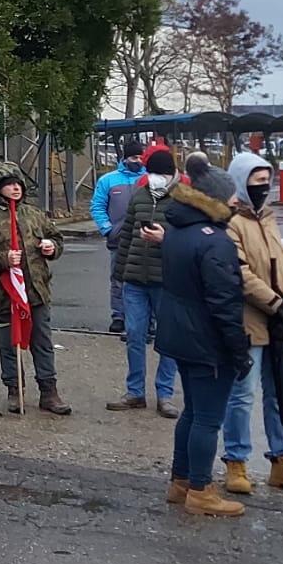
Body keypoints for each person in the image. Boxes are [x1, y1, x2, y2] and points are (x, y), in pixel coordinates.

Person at [152, 168, 249, 518]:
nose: (237, 200)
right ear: (215, 201)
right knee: (208, 418)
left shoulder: (178, 231)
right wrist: (239, 350)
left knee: (192, 412)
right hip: (206, 339)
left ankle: (181, 481)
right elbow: (224, 302)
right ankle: (200, 489)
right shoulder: (216, 241)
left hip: (180, 333)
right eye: (231, 196)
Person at [219, 153, 283, 495]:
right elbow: (240, 273)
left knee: (278, 392)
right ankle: (236, 460)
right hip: (250, 321)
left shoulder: (268, 219)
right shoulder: (231, 223)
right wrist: (276, 305)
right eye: (256, 181)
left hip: (278, 323)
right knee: (242, 394)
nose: (263, 187)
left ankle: (281, 458)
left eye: (266, 181)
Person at [0, 161, 67, 415]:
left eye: (18, 184)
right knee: (9, 343)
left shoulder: (35, 214)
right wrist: (3, 259)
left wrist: (51, 248)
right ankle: (15, 390)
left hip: (36, 291)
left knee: (43, 342)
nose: (15, 189)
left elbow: (56, 238)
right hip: (5, 293)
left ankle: (49, 391)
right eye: (9, 185)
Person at [110, 146, 183, 417]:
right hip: (135, 279)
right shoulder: (140, 196)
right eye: (151, 172)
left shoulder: (182, 199)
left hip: (167, 280)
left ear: (172, 174)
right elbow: (127, 235)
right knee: (135, 335)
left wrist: (167, 239)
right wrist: (120, 273)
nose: (155, 177)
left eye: (160, 173)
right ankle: (135, 391)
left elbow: (191, 240)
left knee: (168, 339)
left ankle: (165, 394)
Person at [91, 140, 147, 334]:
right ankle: (118, 316)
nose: (138, 161)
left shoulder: (149, 178)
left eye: (141, 157)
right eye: (134, 157)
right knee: (118, 279)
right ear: (125, 158)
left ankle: (147, 320)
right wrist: (108, 230)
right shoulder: (108, 180)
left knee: (145, 279)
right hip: (118, 240)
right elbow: (97, 207)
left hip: (145, 239)